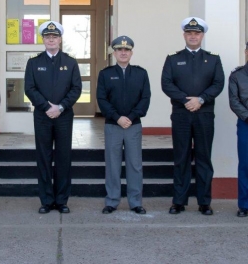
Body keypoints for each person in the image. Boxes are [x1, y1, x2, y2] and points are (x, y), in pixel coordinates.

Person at [161, 17, 224, 215]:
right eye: (189, 33)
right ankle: (179, 201)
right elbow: (167, 84)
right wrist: (185, 100)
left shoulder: (213, 59)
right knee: (181, 158)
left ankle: (204, 202)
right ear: (184, 35)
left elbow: (218, 83)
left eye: (196, 33)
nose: (193, 36)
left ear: (202, 35)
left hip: (204, 114)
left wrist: (201, 99)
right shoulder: (173, 59)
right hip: (181, 114)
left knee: (204, 158)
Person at [25, 21, 82, 214]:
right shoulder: (34, 62)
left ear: (60, 39)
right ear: (43, 39)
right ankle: (46, 200)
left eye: (55, 37)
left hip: (64, 116)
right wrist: (46, 106)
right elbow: (29, 88)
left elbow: (76, 89)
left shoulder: (70, 62)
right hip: (42, 116)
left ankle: (62, 200)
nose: (51, 39)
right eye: (48, 37)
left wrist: (61, 106)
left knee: (63, 157)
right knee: (44, 157)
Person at [97, 36, 151, 215]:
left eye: (126, 50)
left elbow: (145, 98)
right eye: (119, 50)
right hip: (113, 125)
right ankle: (112, 201)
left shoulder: (141, 73)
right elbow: (102, 99)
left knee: (134, 164)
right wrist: (117, 117)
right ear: (114, 53)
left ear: (131, 53)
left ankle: (135, 202)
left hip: (133, 125)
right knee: (112, 164)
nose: (123, 52)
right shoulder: (105, 74)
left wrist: (131, 117)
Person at [228, 42, 248, 217]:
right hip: (246, 124)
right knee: (245, 165)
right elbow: (234, 101)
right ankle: (244, 205)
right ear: (246, 52)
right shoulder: (237, 76)